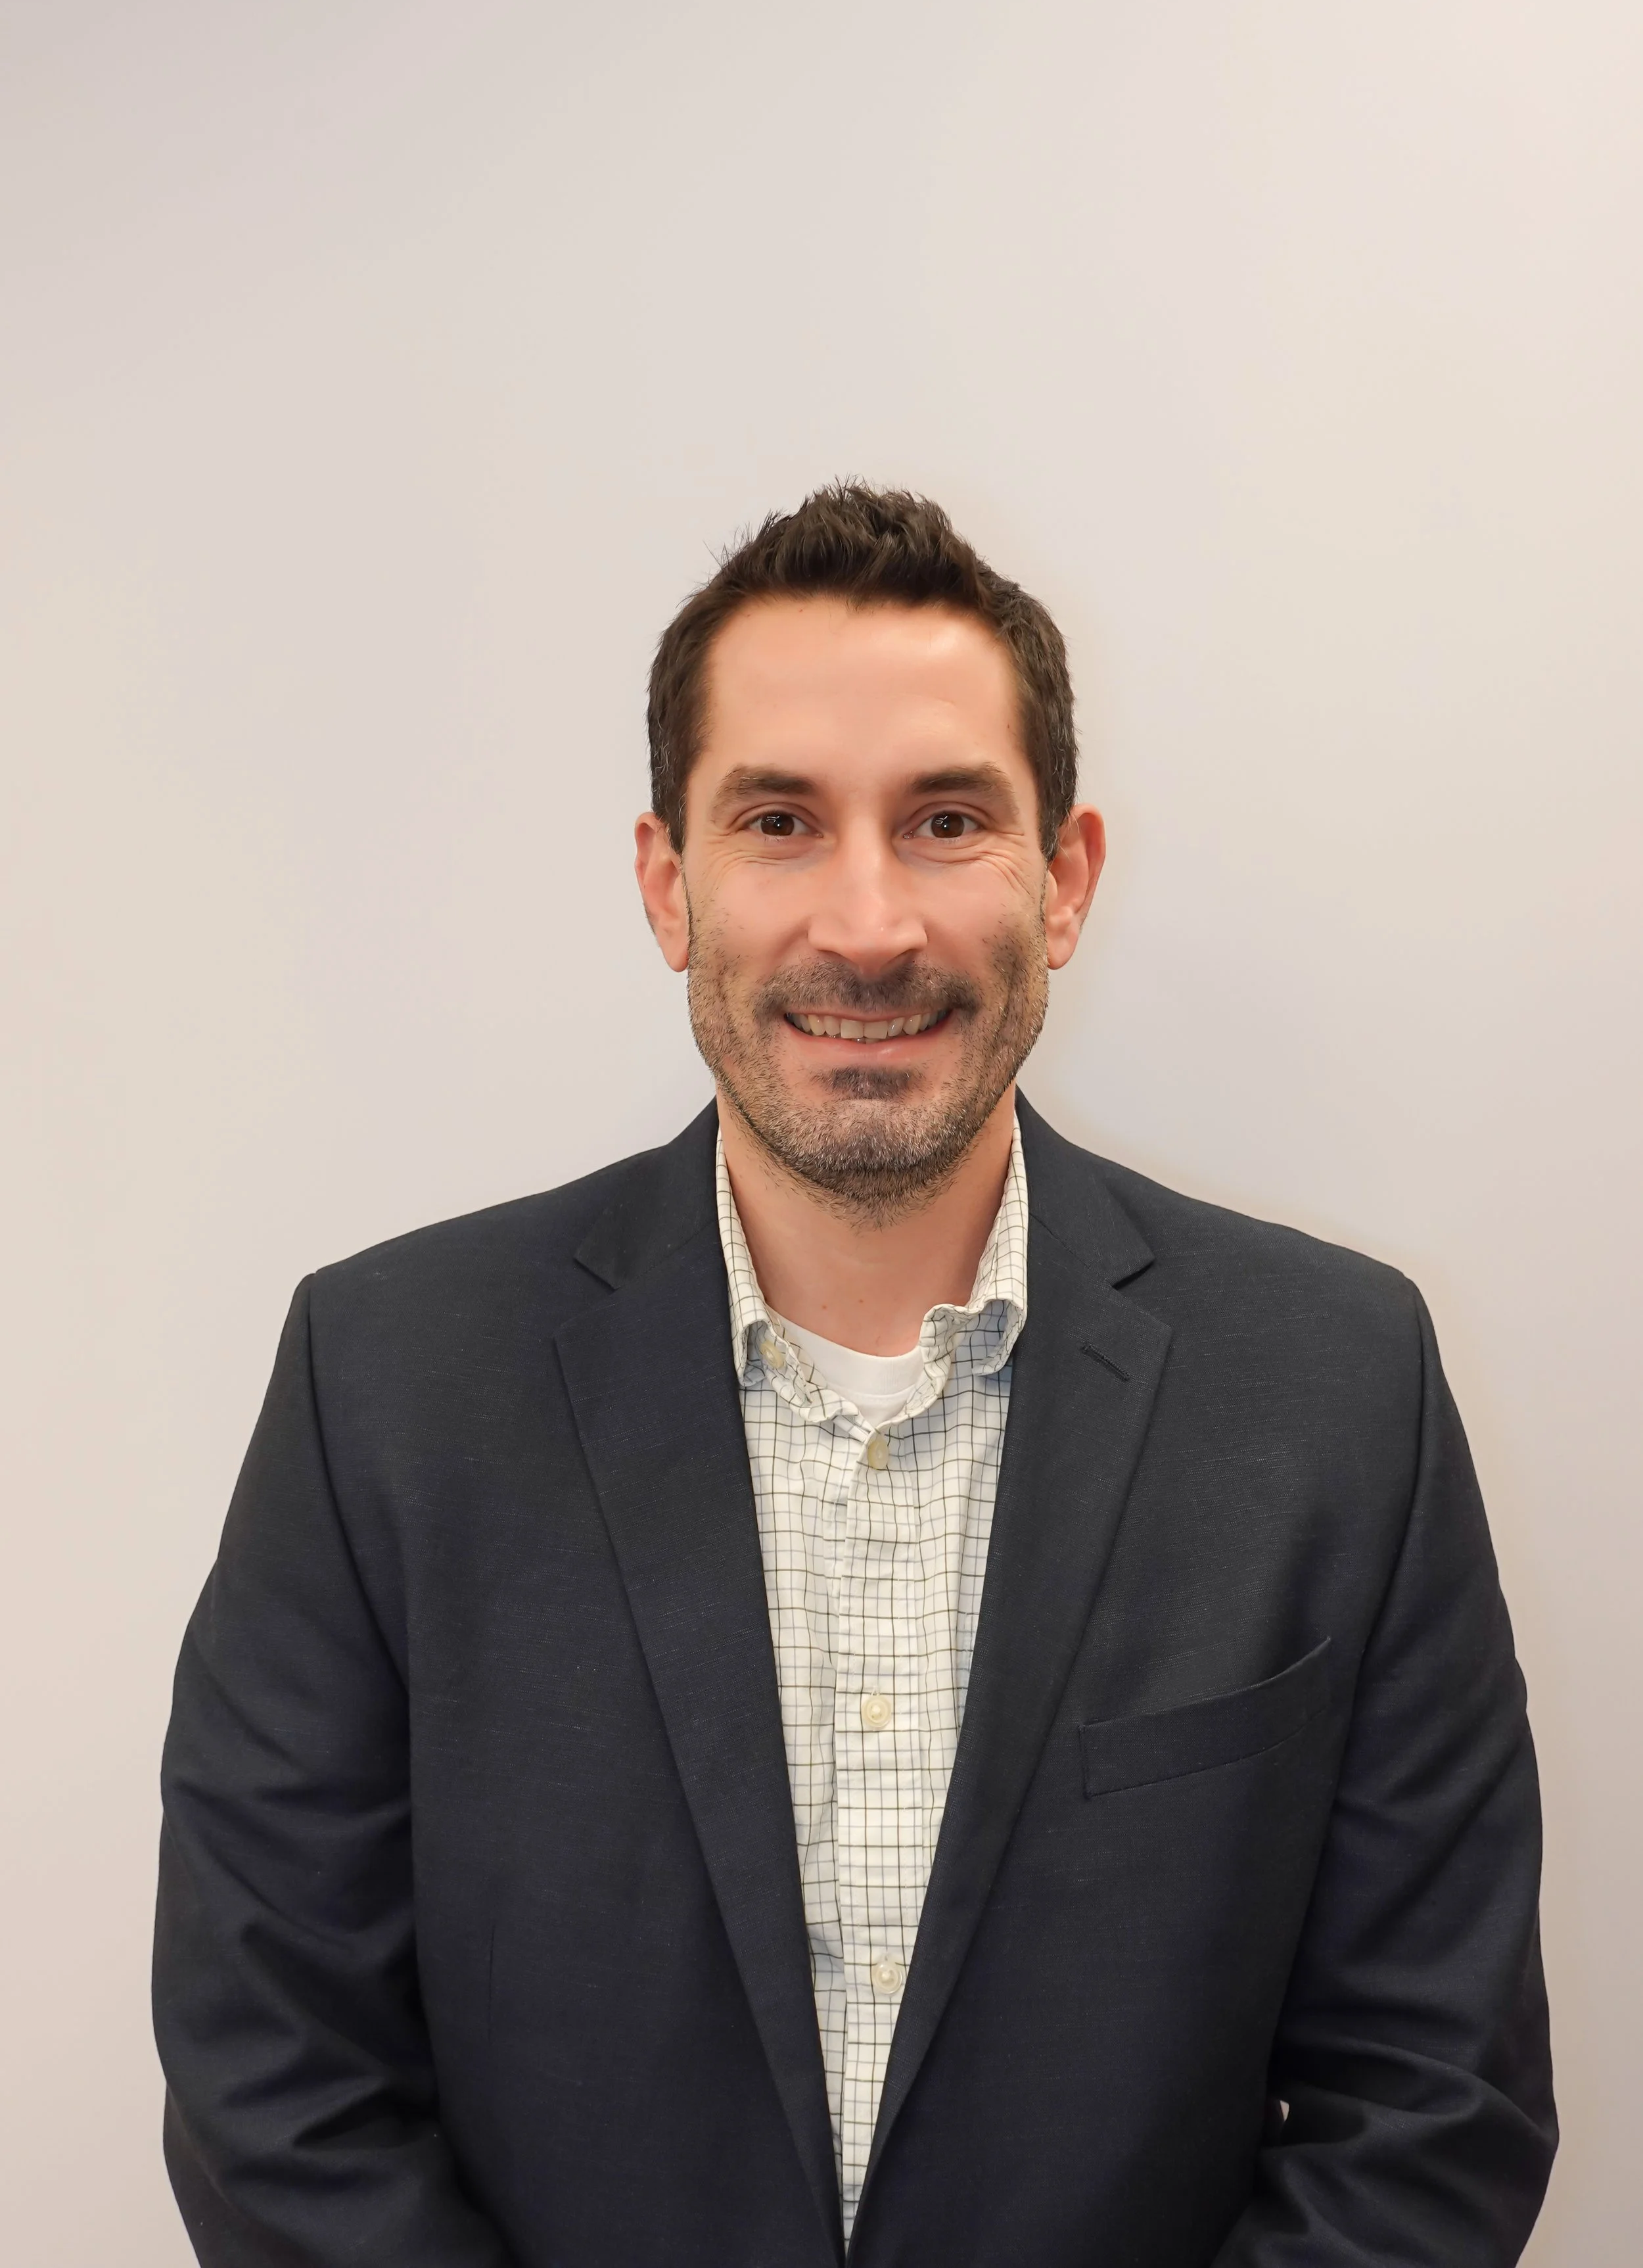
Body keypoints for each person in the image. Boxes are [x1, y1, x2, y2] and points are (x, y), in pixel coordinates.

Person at [153, 483, 1555, 2267]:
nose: (869, 921)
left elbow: (1431, 2104)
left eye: (947, 819)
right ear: (671, 883)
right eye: (781, 822)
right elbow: (274, 2080)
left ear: (1063, 880)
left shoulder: (1332, 1388)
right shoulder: (387, 1388)